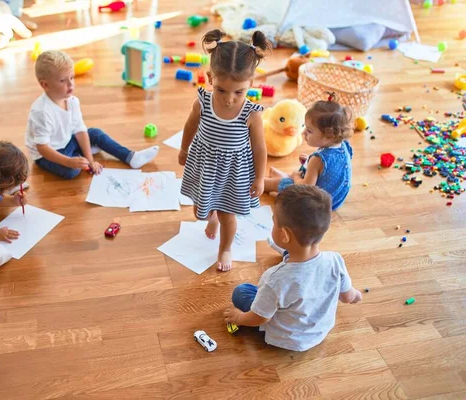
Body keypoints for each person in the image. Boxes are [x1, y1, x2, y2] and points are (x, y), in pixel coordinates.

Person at [223, 185, 362, 352]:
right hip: (319, 331)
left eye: (274, 222)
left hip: (287, 338)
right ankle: (290, 254)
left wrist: (240, 318)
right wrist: (356, 295)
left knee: (241, 292)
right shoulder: (335, 260)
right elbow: (347, 297)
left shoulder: (275, 279)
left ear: (284, 235)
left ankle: (288, 256)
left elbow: (260, 317)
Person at [178, 29, 270, 272]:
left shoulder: (251, 114)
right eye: (221, 90)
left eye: (238, 92)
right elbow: (191, 125)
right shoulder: (202, 103)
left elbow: (260, 148)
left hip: (234, 173)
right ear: (210, 78)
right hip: (205, 167)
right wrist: (183, 149)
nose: (229, 99)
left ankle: (225, 247)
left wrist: (260, 178)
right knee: (200, 211)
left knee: (228, 214)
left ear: (251, 83)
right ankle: (213, 218)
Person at [26, 50, 159, 179]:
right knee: (72, 171)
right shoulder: (41, 112)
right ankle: (79, 154)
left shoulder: (72, 101)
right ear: (45, 85)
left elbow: (80, 130)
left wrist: (90, 160)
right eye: (62, 81)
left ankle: (131, 157)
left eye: (72, 77)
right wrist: (69, 162)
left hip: (67, 140)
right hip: (47, 153)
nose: (71, 84)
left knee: (95, 133)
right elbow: (42, 148)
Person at [264, 92, 353, 211]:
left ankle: (262, 183)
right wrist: (311, 164)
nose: (303, 132)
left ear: (329, 135)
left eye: (309, 131)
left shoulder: (317, 160)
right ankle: (286, 177)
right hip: (335, 198)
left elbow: (305, 188)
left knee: (278, 183)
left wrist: (296, 177)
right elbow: (332, 169)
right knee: (299, 173)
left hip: (316, 203)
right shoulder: (342, 145)